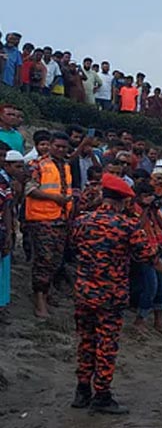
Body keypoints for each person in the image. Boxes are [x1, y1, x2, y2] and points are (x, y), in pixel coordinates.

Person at [70, 174, 162, 414]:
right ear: (124, 201)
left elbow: (73, 247)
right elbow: (151, 259)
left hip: (84, 292)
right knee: (106, 344)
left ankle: (82, 391)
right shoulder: (126, 225)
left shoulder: (82, 221)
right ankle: (102, 395)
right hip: (110, 296)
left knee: (86, 341)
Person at [25, 131, 73, 318]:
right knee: (43, 260)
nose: (61, 150)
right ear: (50, 145)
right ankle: (39, 299)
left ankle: (46, 293)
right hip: (42, 219)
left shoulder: (66, 165)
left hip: (61, 219)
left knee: (55, 261)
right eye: (57, 146)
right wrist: (55, 198)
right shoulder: (37, 164)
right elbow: (30, 190)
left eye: (64, 147)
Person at [131, 181, 162, 334]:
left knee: (161, 287)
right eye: (146, 196)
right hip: (145, 252)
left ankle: (158, 320)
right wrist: (146, 209)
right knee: (151, 287)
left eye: (150, 196)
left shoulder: (155, 209)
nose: (149, 198)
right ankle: (140, 319)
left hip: (159, 249)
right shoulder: (134, 209)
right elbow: (136, 227)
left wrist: (154, 210)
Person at [1, 150, 27, 324]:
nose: (20, 169)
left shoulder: (9, 182)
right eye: (17, 166)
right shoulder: (3, 181)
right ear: (7, 165)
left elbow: (10, 208)